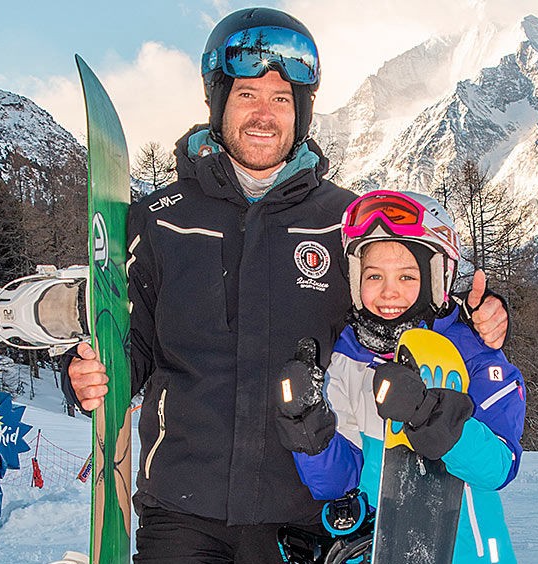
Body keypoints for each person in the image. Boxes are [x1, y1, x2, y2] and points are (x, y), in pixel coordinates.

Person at [63, 7, 510, 563]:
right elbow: (133, 339)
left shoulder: (345, 221)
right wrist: (91, 372)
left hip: (309, 508)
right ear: (217, 100)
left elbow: (405, 307)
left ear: (301, 111)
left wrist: (481, 311)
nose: (264, 114)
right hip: (182, 506)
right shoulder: (162, 220)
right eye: (248, 94)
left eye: (281, 100)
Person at [275, 190, 526, 563]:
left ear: (437, 279)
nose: (388, 292)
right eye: (374, 275)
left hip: (467, 554)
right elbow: (338, 483)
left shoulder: (475, 351)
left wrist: (432, 418)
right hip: (379, 550)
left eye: (407, 276)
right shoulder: (347, 357)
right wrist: (311, 433)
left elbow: (499, 467)